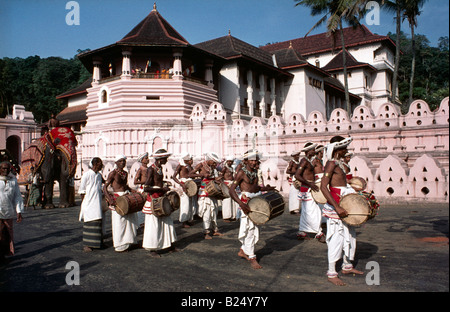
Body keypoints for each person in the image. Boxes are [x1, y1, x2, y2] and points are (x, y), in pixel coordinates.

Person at [321, 136, 364, 286]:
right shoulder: (331, 164)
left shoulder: (341, 164)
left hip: (346, 204)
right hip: (336, 206)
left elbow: (343, 183)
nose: (346, 150)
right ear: (337, 150)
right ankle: (331, 272)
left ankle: (347, 266)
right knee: (336, 238)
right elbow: (323, 187)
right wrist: (337, 207)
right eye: (344, 148)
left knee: (349, 236)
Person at [229, 150, 275, 270]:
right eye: (252, 160)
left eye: (255, 160)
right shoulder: (240, 173)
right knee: (249, 229)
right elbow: (231, 190)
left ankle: (243, 250)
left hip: (256, 202)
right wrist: (241, 204)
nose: (254, 162)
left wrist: (267, 188)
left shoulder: (255, 172)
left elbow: (256, 187)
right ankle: (252, 257)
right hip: (246, 203)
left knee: (255, 229)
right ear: (245, 161)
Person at [142, 149, 177, 257]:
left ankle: (168, 245)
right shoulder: (150, 169)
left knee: (166, 222)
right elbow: (146, 188)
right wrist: (162, 189)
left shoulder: (159, 168)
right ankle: (153, 249)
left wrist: (164, 184)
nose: (166, 160)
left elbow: (157, 183)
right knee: (154, 225)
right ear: (159, 158)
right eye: (165, 158)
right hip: (153, 199)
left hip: (161, 198)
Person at [103, 155, 138, 253]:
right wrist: (110, 199)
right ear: (116, 163)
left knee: (129, 221)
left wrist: (134, 191)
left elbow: (125, 186)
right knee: (119, 222)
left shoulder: (125, 173)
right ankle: (120, 245)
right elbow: (105, 187)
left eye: (124, 161)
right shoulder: (112, 173)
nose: (123, 163)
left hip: (126, 197)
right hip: (117, 199)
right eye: (120, 161)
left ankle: (130, 242)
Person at [295, 142, 325, 242]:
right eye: (313, 150)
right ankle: (318, 233)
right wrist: (310, 184)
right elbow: (297, 175)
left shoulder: (308, 160)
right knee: (314, 211)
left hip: (308, 187)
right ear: (308, 151)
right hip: (307, 188)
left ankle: (302, 231)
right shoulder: (304, 161)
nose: (314, 151)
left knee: (307, 211)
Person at [189, 152, 223, 239]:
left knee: (214, 211)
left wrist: (217, 179)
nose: (215, 164)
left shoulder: (213, 167)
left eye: (215, 163)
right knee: (207, 212)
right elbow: (190, 174)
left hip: (212, 191)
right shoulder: (200, 165)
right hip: (204, 191)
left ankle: (215, 230)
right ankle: (206, 232)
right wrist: (202, 175)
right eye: (214, 162)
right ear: (209, 160)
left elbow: (214, 177)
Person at [78, 157, 104, 252]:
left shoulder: (99, 176)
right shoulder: (86, 175)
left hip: (97, 202)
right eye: (100, 163)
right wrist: (85, 202)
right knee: (89, 222)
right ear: (95, 164)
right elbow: (81, 191)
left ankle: (97, 243)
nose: (101, 165)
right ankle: (87, 245)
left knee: (97, 221)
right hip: (89, 203)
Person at [0, 161, 24, 263]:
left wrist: (19, 211)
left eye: (7, 169)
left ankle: (3, 255)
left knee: (6, 235)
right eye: (3, 168)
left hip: (8, 212)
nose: (5, 170)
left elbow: (17, 197)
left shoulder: (13, 181)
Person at [172, 152, 195, 228]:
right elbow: (174, 177)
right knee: (185, 203)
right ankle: (184, 221)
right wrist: (181, 184)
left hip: (189, 185)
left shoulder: (189, 167)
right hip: (183, 185)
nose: (191, 160)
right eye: (189, 159)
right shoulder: (180, 166)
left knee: (190, 203)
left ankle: (189, 219)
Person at [134, 152, 149, 227]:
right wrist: (145, 181)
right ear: (142, 160)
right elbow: (135, 181)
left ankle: (146, 221)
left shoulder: (149, 169)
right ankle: (141, 222)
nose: (148, 159)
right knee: (141, 206)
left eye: (147, 158)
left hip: (148, 189)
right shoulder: (141, 169)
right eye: (146, 158)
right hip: (143, 189)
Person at [220, 156, 237, 222]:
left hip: (231, 183)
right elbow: (221, 177)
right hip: (226, 184)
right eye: (228, 161)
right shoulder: (224, 168)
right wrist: (225, 185)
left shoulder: (232, 168)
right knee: (227, 200)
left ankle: (232, 215)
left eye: (231, 161)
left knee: (233, 199)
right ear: (226, 161)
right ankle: (226, 217)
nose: (229, 162)